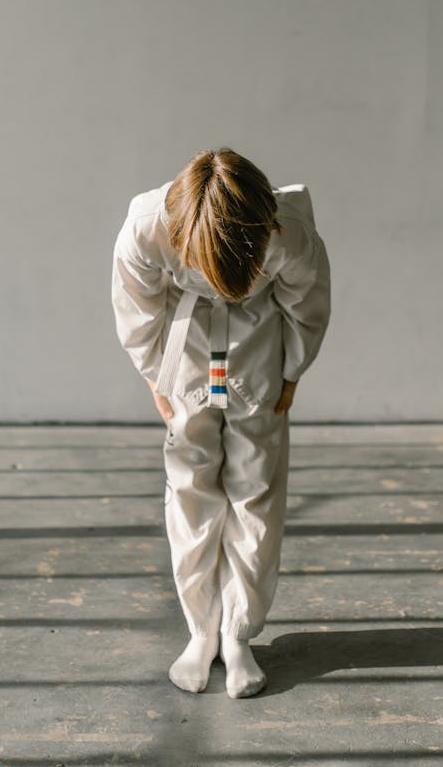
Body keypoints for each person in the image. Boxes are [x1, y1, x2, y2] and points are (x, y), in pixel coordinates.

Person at [111, 148, 330, 698]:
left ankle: (239, 634)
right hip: (185, 348)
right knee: (190, 484)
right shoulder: (147, 227)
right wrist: (152, 374)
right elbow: (137, 304)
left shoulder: (289, 231)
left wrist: (293, 371)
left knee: (255, 488)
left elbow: (306, 300)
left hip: (259, 342)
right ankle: (201, 629)